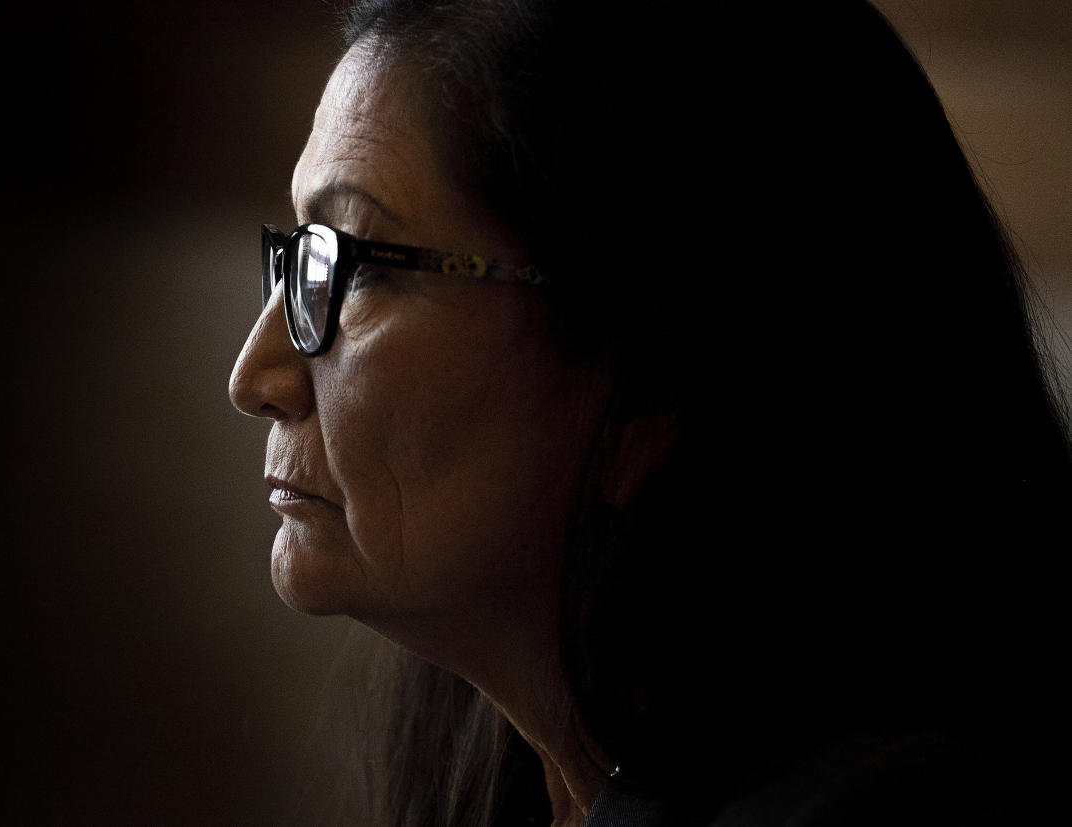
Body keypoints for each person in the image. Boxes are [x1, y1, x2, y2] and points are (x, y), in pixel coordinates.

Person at [229, 1, 1071, 824]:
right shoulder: (526, 772)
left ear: (658, 376)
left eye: (362, 268)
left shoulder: (905, 804)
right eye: (303, 256)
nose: (255, 375)